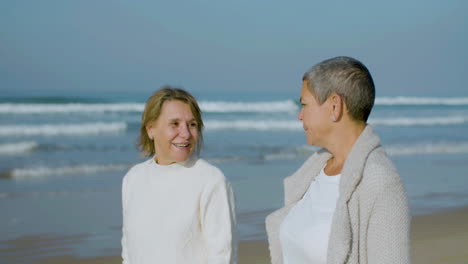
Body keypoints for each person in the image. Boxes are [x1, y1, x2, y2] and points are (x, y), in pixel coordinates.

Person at [266, 56, 411, 264]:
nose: (300, 116)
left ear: (335, 106)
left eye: (305, 104)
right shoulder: (314, 172)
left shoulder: (380, 183)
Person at [121, 87, 237, 264]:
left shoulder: (210, 180)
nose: (185, 134)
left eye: (192, 125)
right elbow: (129, 250)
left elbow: (222, 256)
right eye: (174, 124)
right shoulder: (133, 179)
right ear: (151, 129)